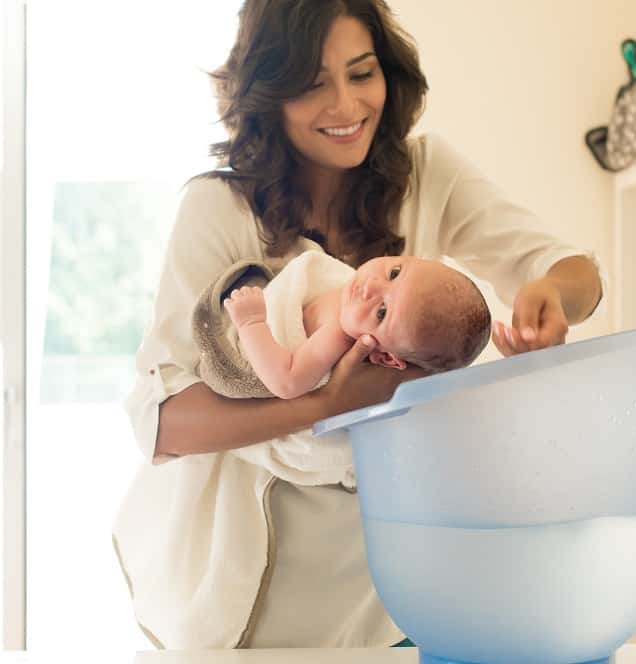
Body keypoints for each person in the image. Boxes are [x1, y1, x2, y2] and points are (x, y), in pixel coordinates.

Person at [112, 0, 604, 651]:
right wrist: (329, 403)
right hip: (246, 593)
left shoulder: (426, 174)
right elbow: (164, 423)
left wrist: (548, 294)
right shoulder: (218, 208)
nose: (346, 105)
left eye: (362, 72)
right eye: (314, 84)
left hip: (388, 585)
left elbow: (578, 276)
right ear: (268, 94)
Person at [222, 251, 492, 399]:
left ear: (384, 356)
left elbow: (287, 382)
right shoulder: (348, 287)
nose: (371, 286)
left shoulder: (337, 335)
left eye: (382, 311)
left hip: (245, 342)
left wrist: (251, 322)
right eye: (394, 273)